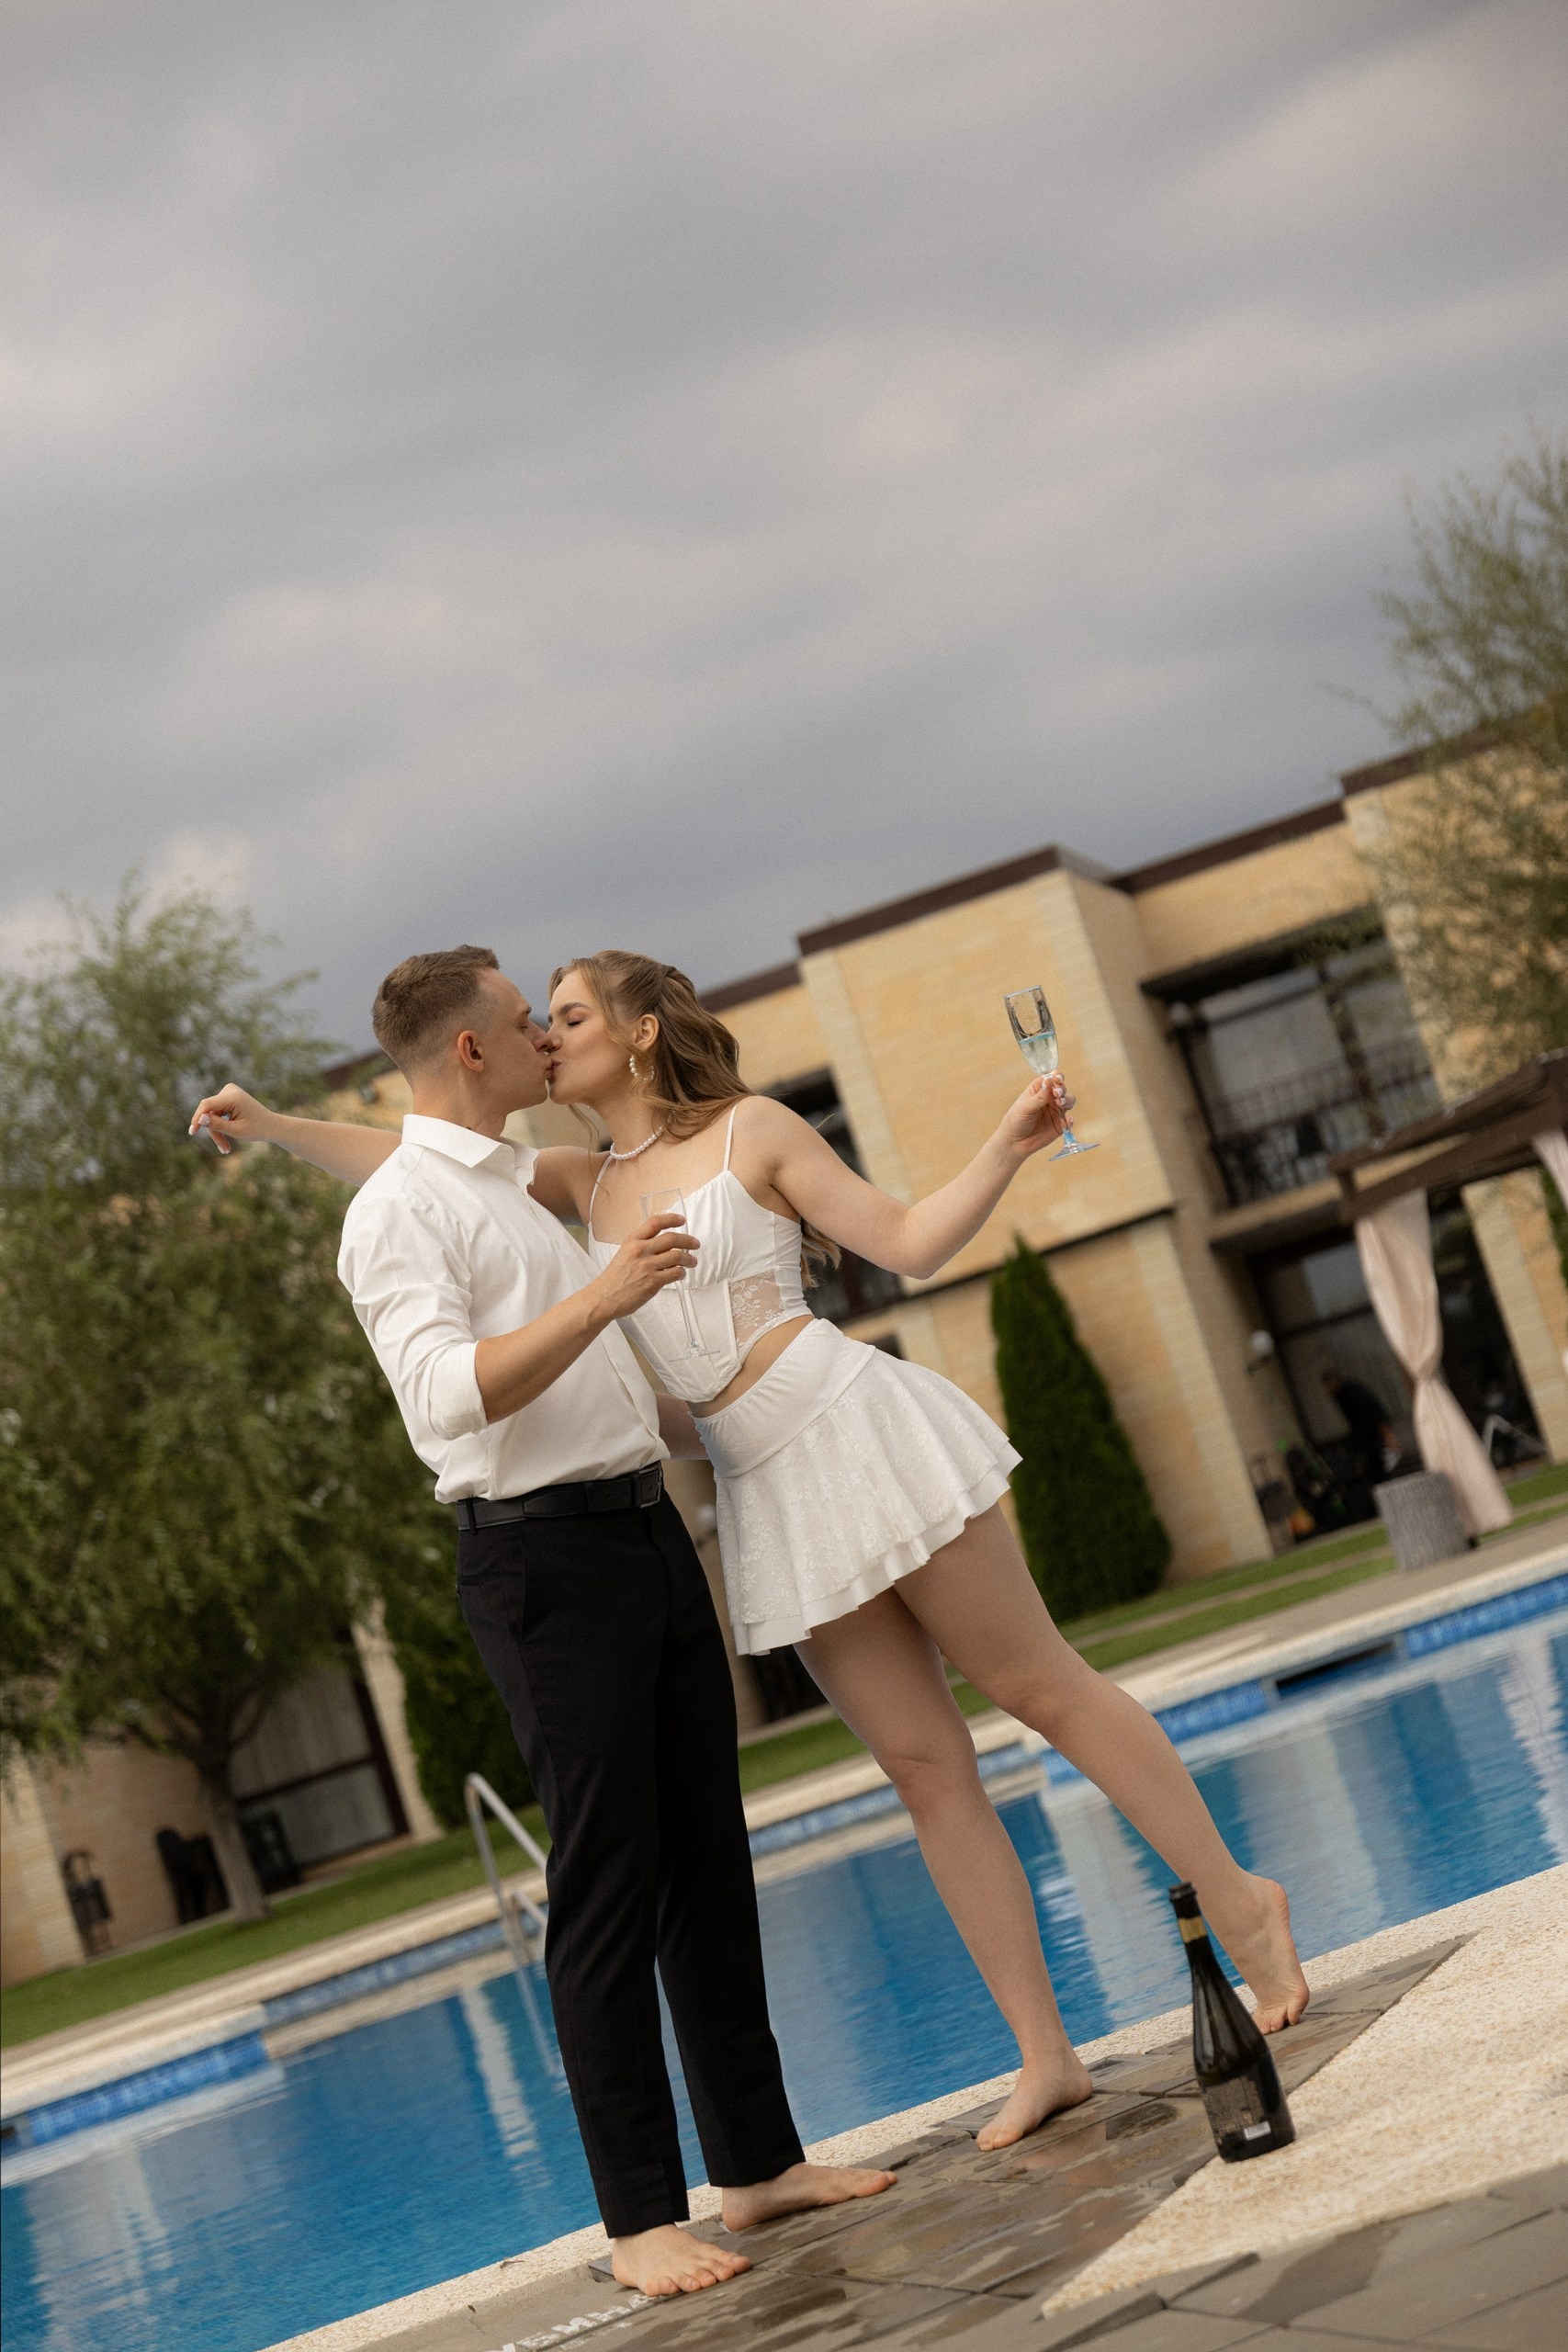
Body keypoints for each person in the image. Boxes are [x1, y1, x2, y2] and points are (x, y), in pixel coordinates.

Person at [194, 951, 1309, 2158]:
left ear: (639, 1030)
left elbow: (907, 1241)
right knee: (923, 1767)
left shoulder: (753, 1129)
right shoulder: (571, 1181)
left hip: (855, 1427)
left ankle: (1243, 1903)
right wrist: (274, 1129)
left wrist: (1005, 1143)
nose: (547, 1036)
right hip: (762, 1487)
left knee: (1039, 1689)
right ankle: (1045, 2053)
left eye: (567, 1015)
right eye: (536, 1020)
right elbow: (413, 1159)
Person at [193, 947, 893, 2301]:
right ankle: (637, 2220)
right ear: (471, 1049)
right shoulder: (399, 1215)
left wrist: (274, 1126)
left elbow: (407, 1147)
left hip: (643, 1534)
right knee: (604, 1887)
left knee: (703, 1855)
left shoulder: (503, 1177)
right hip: (542, 1566)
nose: (543, 1037)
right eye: (524, 1020)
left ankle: (756, 2161)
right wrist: (605, 1295)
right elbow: (445, 1395)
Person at [1322, 1369, 1396, 1488]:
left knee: (1378, 1460)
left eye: (1329, 1385)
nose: (1328, 1390)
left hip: (1371, 1428)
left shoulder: (1351, 1391)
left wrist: (1384, 1431)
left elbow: (1372, 1409)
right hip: (1364, 1431)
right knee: (1372, 1462)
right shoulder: (1340, 1394)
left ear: (1334, 1381)